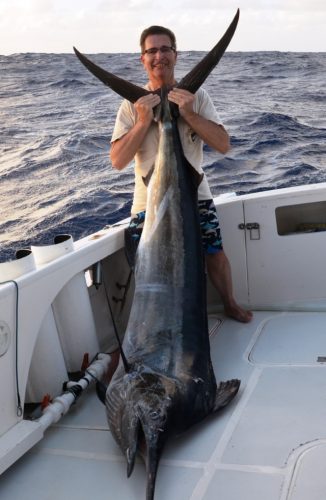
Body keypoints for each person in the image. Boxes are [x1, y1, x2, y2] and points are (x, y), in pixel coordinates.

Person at [110, 25, 252, 324]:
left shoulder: (197, 97)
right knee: (148, 266)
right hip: (147, 206)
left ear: (175, 54)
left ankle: (229, 303)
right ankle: (151, 321)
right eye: (152, 51)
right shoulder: (130, 106)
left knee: (214, 253)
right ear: (142, 59)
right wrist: (144, 119)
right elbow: (118, 161)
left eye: (165, 49)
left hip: (194, 195)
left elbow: (224, 145)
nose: (159, 56)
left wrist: (187, 113)